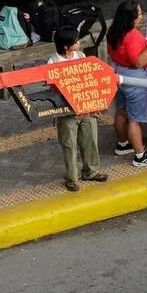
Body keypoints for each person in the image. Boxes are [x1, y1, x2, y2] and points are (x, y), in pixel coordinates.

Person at [48, 28, 109, 192]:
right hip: (67, 112)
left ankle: (91, 171)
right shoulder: (52, 62)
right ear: (67, 47)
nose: (79, 43)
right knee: (69, 145)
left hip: (86, 109)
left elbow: (90, 81)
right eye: (76, 41)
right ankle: (71, 178)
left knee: (90, 140)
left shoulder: (81, 56)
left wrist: (95, 105)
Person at [106, 1, 147, 167]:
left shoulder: (114, 31)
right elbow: (139, 62)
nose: (141, 17)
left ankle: (122, 144)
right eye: (139, 14)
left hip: (120, 75)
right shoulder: (131, 36)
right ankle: (140, 155)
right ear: (132, 17)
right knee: (134, 119)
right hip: (135, 78)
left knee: (122, 110)